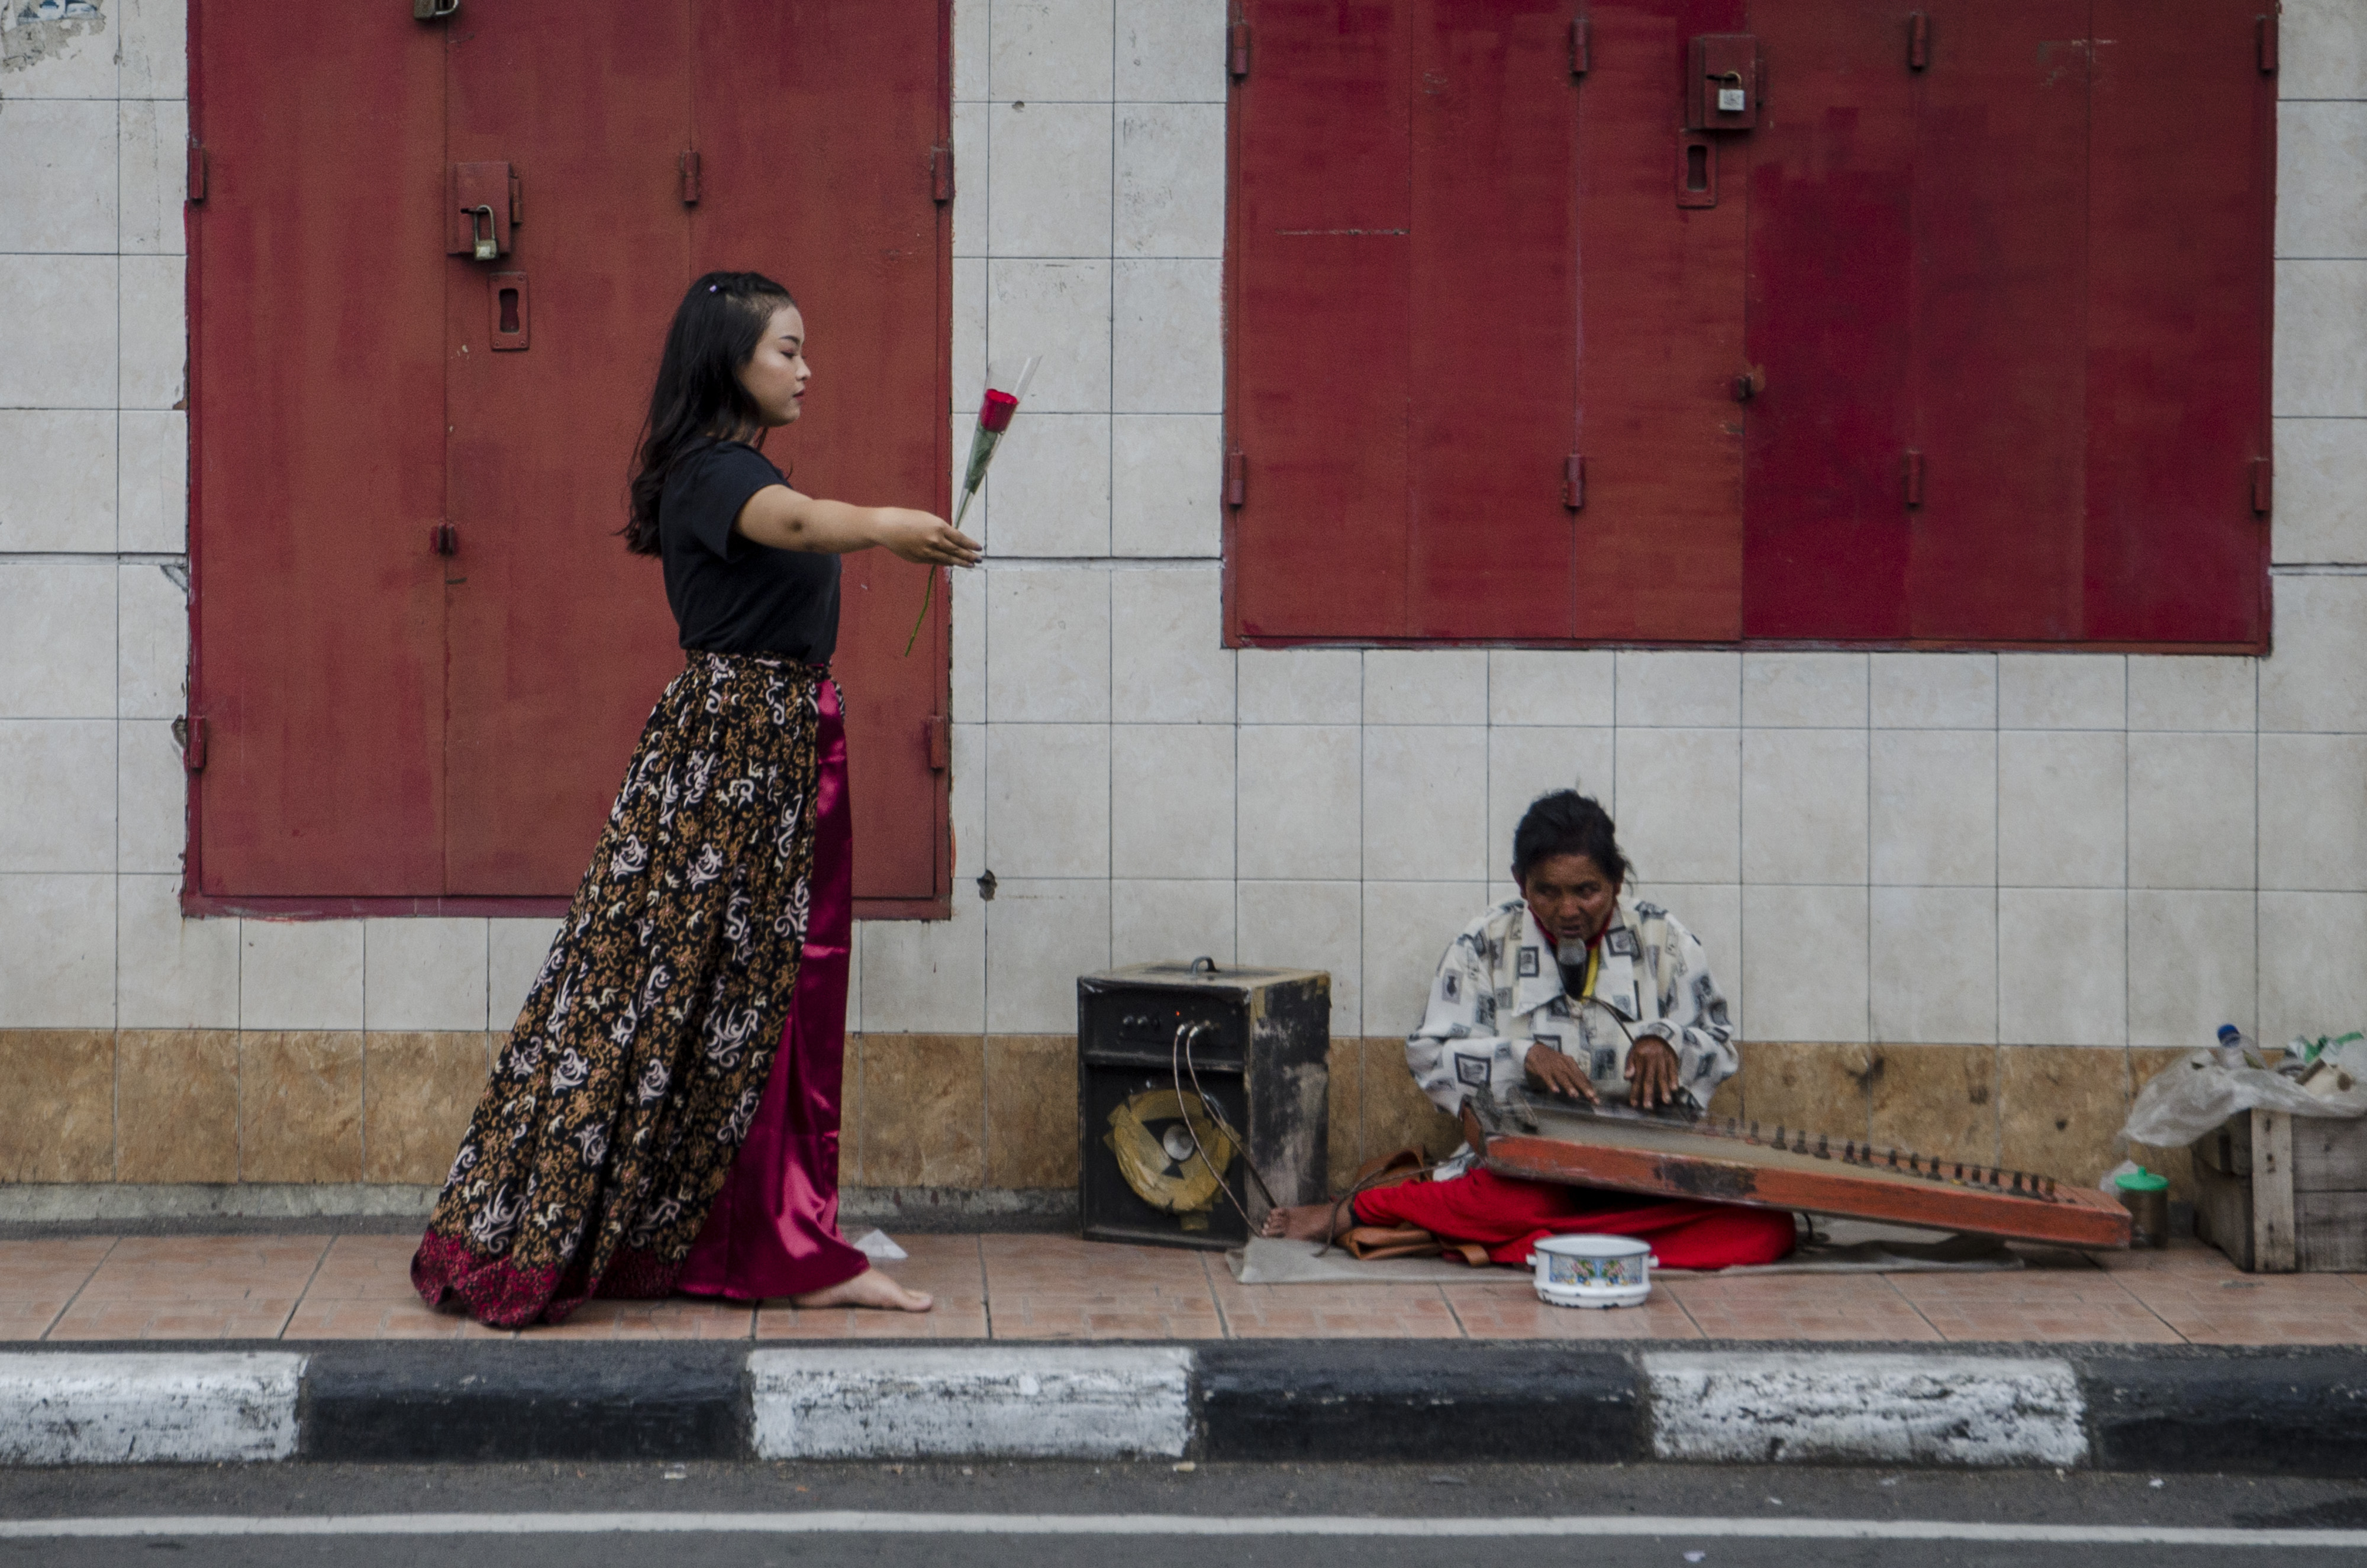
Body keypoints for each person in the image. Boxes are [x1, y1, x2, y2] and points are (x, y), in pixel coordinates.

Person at [412, 271, 979, 1327]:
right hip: (738, 760)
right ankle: (772, 1242)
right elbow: (799, 523)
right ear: (729, 359)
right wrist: (885, 523)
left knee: (723, 1004)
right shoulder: (718, 475)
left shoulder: (723, 469)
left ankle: (755, 1232)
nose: (806, 371)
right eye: (787, 350)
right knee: (728, 1001)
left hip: (756, 753)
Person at [1261, 790, 1795, 1270]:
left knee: (1768, 1228)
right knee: (1518, 1201)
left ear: (1617, 881)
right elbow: (1429, 1053)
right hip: (1531, 1170)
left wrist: (1669, 1042)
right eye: (1547, 892)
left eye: (1587, 891)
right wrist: (1521, 1057)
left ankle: (1533, 1243)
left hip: (1645, 1165)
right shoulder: (1485, 942)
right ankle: (1360, 1209)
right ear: (1521, 882)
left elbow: (1719, 1042)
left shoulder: (1664, 938)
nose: (1568, 911)